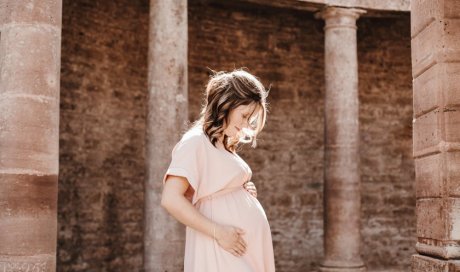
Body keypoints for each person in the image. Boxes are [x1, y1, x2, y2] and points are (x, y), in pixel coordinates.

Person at [161, 69, 276, 272]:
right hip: (219, 247)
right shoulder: (195, 141)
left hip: (238, 250)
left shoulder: (221, 145)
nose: (246, 125)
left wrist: (242, 191)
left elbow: (216, 186)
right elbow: (171, 199)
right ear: (226, 104)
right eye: (244, 115)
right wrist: (220, 232)